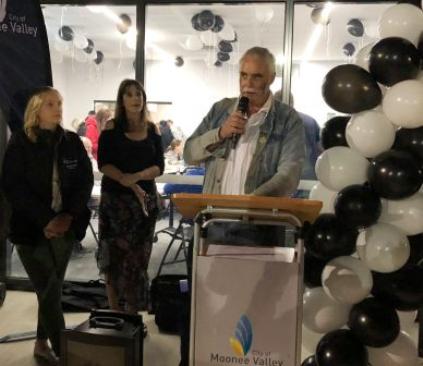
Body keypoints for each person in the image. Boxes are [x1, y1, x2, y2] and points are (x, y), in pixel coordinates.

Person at [180, 47, 305, 366]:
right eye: (243, 75)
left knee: (252, 313)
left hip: (258, 229)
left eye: (257, 76)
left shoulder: (287, 120)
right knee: (203, 309)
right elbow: (190, 153)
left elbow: (288, 175)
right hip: (211, 225)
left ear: (272, 79)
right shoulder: (222, 110)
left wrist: (249, 205)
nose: (248, 84)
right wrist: (221, 132)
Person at [2, 86, 93, 364]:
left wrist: (67, 216)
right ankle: (66, 353)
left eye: (60, 103)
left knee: (50, 289)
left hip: (65, 229)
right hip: (31, 231)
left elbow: (84, 181)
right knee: (50, 289)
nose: (58, 108)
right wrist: (47, 219)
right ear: (36, 109)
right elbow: (14, 187)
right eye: (51, 104)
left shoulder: (71, 143)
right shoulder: (20, 142)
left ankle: (42, 345)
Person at [96, 79, 164, 315]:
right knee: (113, 257)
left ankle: (132, 315)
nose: (135, 99)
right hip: (116, 204)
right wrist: (124, 178)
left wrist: (135, 177)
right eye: (129, 95)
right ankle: (115, 312)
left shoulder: (153, 129)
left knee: (138, 259)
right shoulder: (111, 128)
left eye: (139, 94)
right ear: (121, 100)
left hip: (144, 204)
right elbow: (103, 163)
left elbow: (159, 166)